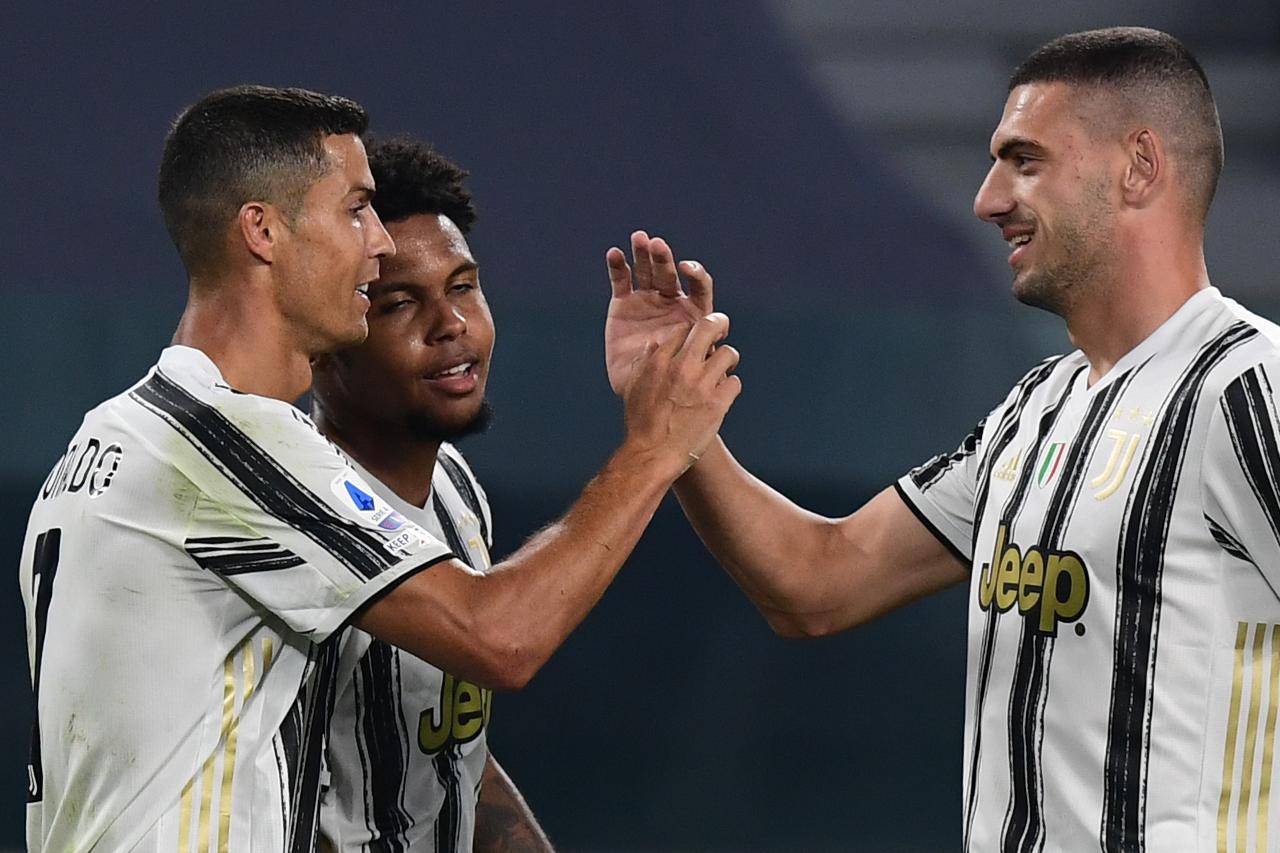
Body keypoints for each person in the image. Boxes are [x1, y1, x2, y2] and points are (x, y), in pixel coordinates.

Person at [20, 85, 739, 852]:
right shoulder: (226, 442)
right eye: (356, 210)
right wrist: (655, 445)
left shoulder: (115, 435)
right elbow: (500, 636)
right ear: (262, 230)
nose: (377, 242)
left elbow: (429, 748)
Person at [605, 27, 1273, 852]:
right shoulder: (1036, 407)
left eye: (1025, 161)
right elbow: (818, 580)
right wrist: (677, 426)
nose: (987, 199)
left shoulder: (1249, 390)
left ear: (1139, 166)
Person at [310, 138, 550, 851]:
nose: (450, 325)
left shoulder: (455, 487)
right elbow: (501, 643)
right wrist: (654, 447)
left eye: (463, 287)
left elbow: (448, 756)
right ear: (327, 338)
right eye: (399, 303)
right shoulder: (299, 502)